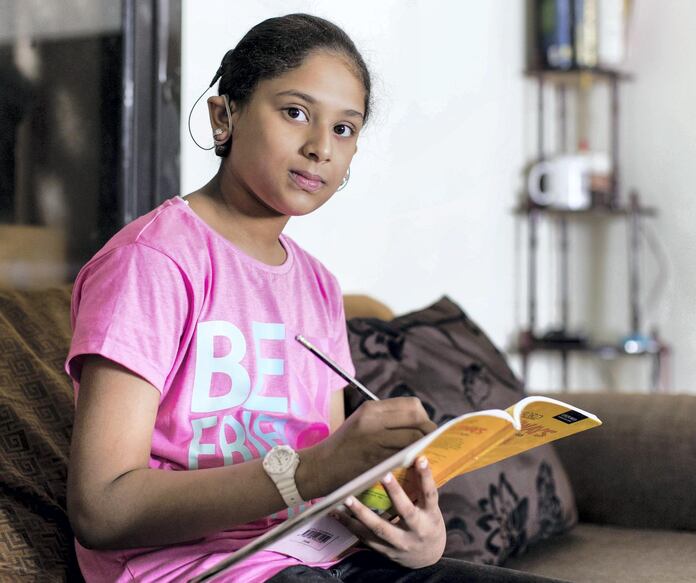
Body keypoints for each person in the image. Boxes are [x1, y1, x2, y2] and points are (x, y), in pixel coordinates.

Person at [66, 13, 564, 583]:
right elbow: (101, 510)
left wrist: (412, 535)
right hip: (196, 571)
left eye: (344, 129)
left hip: (319, 560)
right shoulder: (152, 263)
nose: (320, 148)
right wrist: (308, 470)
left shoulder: (317, 286)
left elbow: (320, 498)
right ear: (224, 115)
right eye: (296, 112)